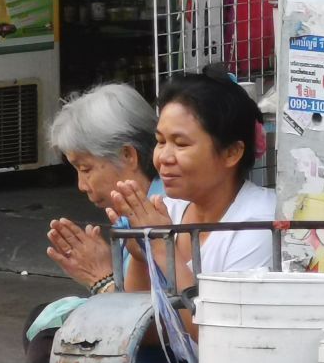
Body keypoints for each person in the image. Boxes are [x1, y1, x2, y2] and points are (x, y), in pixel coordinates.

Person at [22, 83, 161, 363]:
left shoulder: (160, 206)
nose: (82, 185)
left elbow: (148, 316)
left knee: (48, 350)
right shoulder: (131, 209)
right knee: (43, 321)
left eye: (86, 169)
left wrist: (103, 281)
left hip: (161, 345)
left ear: (128, 155)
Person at [105, 65, 276, 290]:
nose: (163, 157)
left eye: (181, 143)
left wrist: (160, 247)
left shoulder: (259, 223)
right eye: (161, 141)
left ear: (231, 152)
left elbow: (216, 325)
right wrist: (140, 256)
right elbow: (138, 320)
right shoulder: (168, 209)